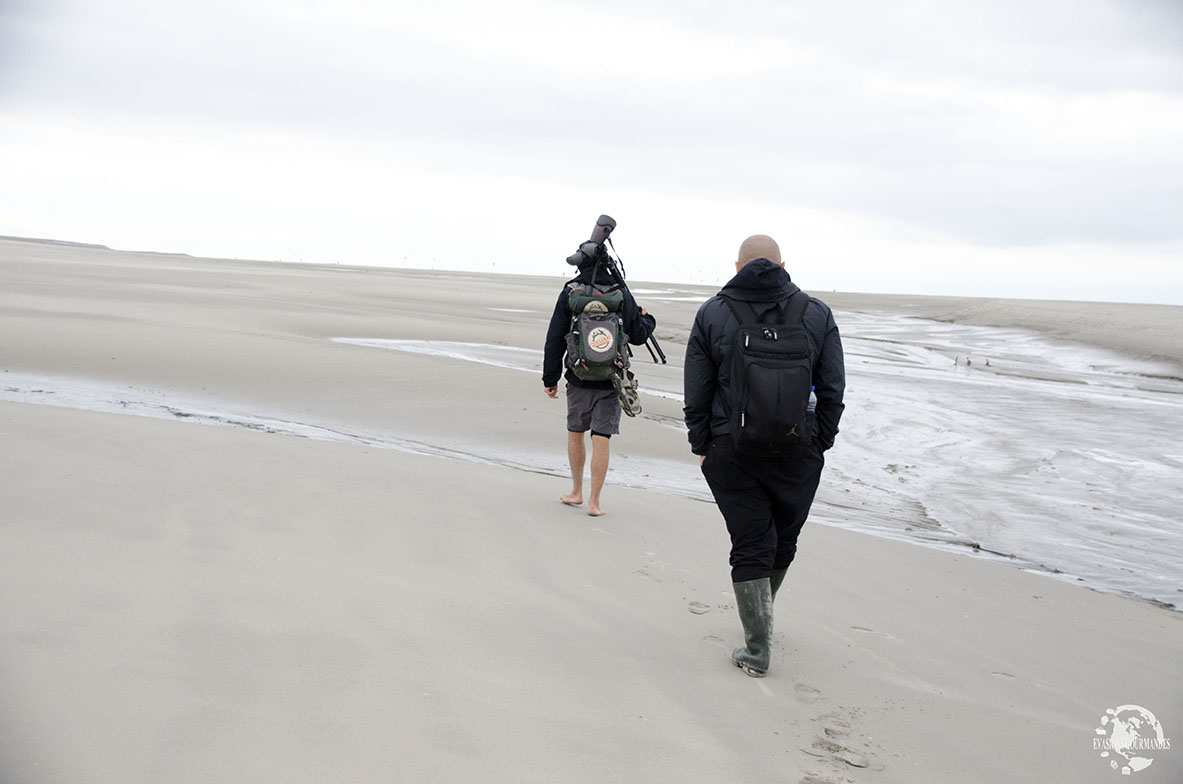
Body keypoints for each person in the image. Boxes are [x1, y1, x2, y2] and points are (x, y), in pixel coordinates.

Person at [683, 235, 845, 677]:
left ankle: (757, 649)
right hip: (799, 452)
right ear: (783, 264)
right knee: (783, 540)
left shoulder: (714, 313)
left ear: (737, 265)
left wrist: (702, 444)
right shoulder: (816, 314)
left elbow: (697, 389)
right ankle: (761, 621)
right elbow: (832, 388)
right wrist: (819, 442)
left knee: (751, 542)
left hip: (731, 451)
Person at [543, 249, 656, 517]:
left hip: (578, 375)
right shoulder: (620, 291)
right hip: (612, 378)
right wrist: (647, 318)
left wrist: (550, 378)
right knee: (601, 437)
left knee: (575, 431)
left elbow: (555, 336)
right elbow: (638, 334)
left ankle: (576, 491)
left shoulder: (571, 291)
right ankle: (594, 502)